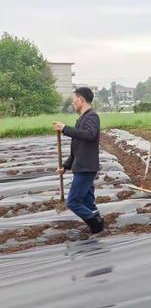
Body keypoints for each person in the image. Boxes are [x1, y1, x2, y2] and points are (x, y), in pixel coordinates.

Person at [53, 87, 104, 234]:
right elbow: (77, 146)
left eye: (74, 99)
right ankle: (97, 222)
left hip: (86, 167)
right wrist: (65, 166)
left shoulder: (92, 116)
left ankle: (96, 224)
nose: (73, 102)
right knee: (88, 200)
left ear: (81, 99)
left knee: (73, 202)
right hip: (81, 165)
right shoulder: (81, 118)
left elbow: (89, 135)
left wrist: (65, 129)